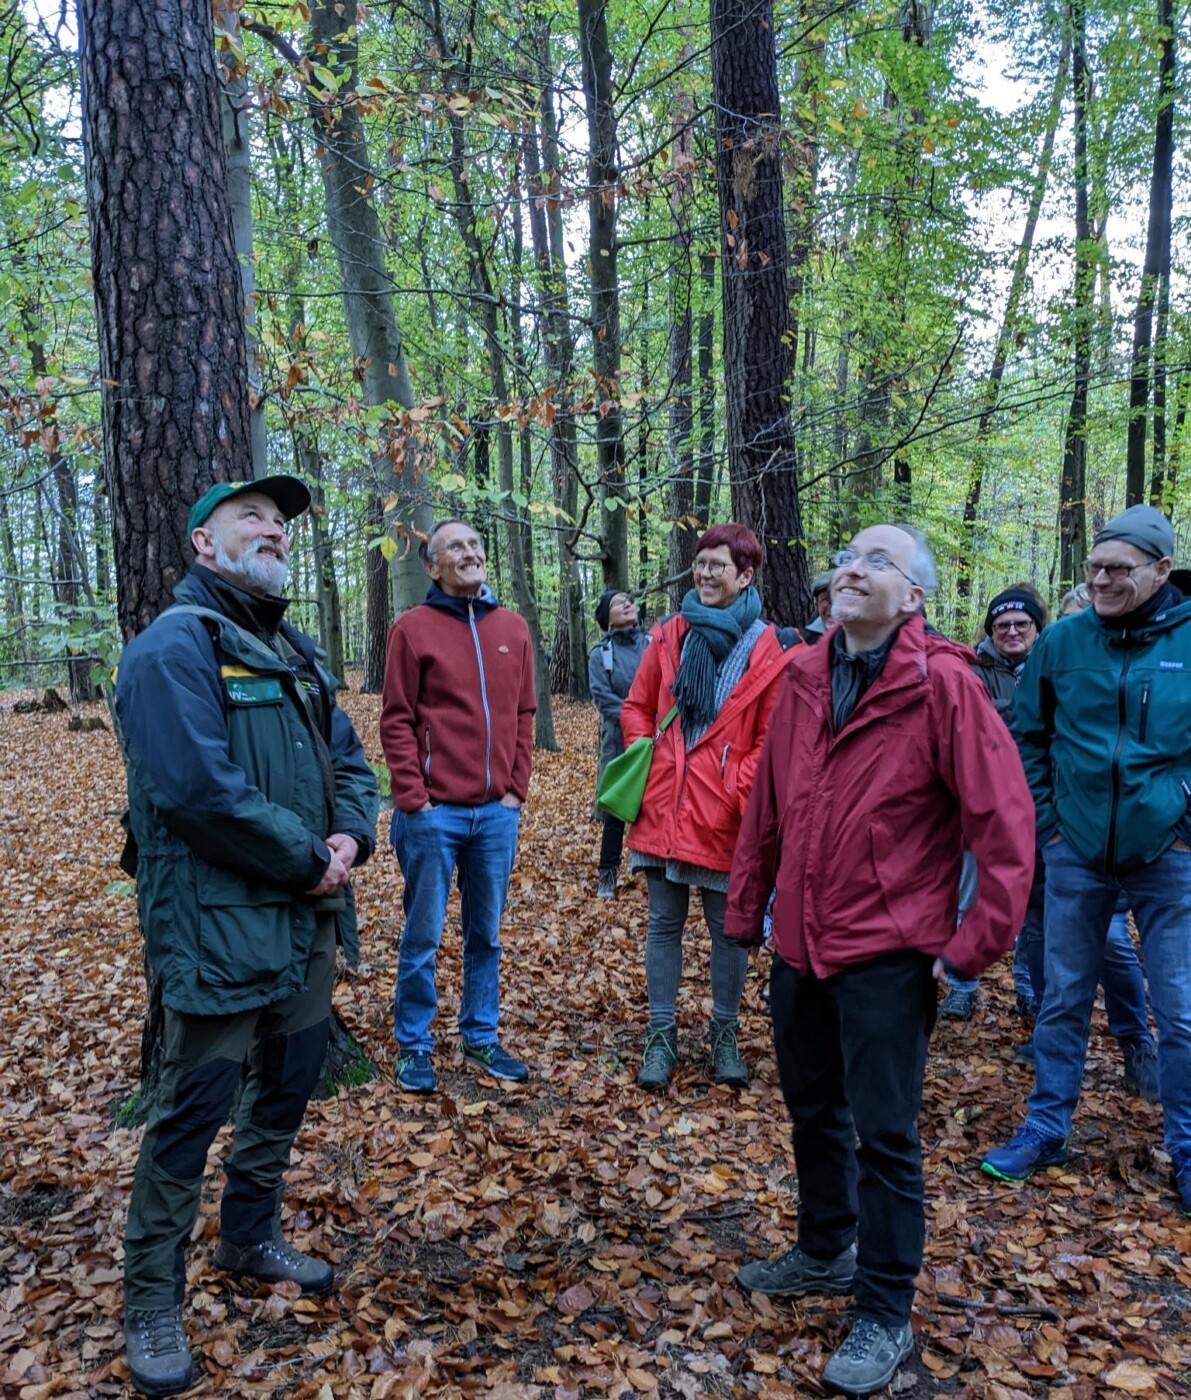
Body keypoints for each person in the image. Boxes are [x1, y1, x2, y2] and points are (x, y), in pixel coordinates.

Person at [727, 524, 1034, 1397]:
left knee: (886, 1136)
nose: (851, 569)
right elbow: (767, 808)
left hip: (888, 954)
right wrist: (749, 909)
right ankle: (825, 1248)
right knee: (812, 1109)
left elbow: (1005, 830)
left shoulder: (943, 685)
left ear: (915, 596)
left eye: (877, 562)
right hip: (801, 944)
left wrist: (969, 950)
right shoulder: (801, 675)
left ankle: (885, 1311)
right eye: (847, 559)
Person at [116, 476, 379, 1398]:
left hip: (308, 914)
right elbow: (196, 790)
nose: (271, 528)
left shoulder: (294, 649)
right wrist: (306, 856)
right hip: (219, 926)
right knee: (192, 1112)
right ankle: (150, 1298)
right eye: (249, 518)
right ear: (202, 544)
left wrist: (349, 835)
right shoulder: (171, 648)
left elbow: (349, 761)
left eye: (279, 521)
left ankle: (247, 1234)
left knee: (291, 1083)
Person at [981, 504, 1191, 1211]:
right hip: (1075, 853)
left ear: (1161, 570)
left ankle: (1186, 1147)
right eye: (1093, 568)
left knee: (1179, 1009)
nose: (1099, 580)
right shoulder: (1062, 643)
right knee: (1063, 996)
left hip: (1168, 853)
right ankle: (1045, 1129)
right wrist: (1048, 828)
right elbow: (1027, 737)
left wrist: (1184, 820)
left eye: (1116, 569)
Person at [621, 523, 800, 1089]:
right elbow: (637, 707)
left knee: (728, 929)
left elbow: (775, 737)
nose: (704, 574)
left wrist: (734, 787)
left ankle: (725, 1034)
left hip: (726, 816)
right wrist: (647, 759)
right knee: (663, 923)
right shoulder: (669, 633)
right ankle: (660, 1036)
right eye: (700, 564)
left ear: (745, 575)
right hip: (666, 804)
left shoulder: (769, 648)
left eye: (716, 566)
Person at [380, 519, 536, 1095]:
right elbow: (396, 718)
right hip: (433, 814)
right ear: (433, 566)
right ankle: (415, 1044)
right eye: (455, 548)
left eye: (475, 544)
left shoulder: (513, 628)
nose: (469, 553)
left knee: (485, 934)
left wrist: (516, 788)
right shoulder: (413, 630)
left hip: (496, 813)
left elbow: (524, 714)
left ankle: (480, 1036)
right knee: (423, 934)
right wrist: (413, 799)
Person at [941, 586, 1049, 1020]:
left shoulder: (1051, 667)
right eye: (1001, 625)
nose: (1011, 632)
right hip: (978, 807)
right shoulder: (972, 669)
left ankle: (1027, 987)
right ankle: (962, 984)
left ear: (1037, 628)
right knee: (967, 895)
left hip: (1041, 805)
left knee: (1032, 904)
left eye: (1021, 624)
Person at [589, 588, 650, 899]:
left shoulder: (654, 645)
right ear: (606, 617)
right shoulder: (601, 656)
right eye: (617, 603)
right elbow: (604, 699)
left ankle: (654, 875)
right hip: (620, 746)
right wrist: (637, 722)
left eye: (628, 600)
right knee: (614, 815)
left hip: (659, 743)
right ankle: (607, 876)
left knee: (653, 810)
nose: (627, 604)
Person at [802, 570, 834, 642]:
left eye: (838, 599)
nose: (832, 606)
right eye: (825, 600)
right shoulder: (809, 637)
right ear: (817, 605)